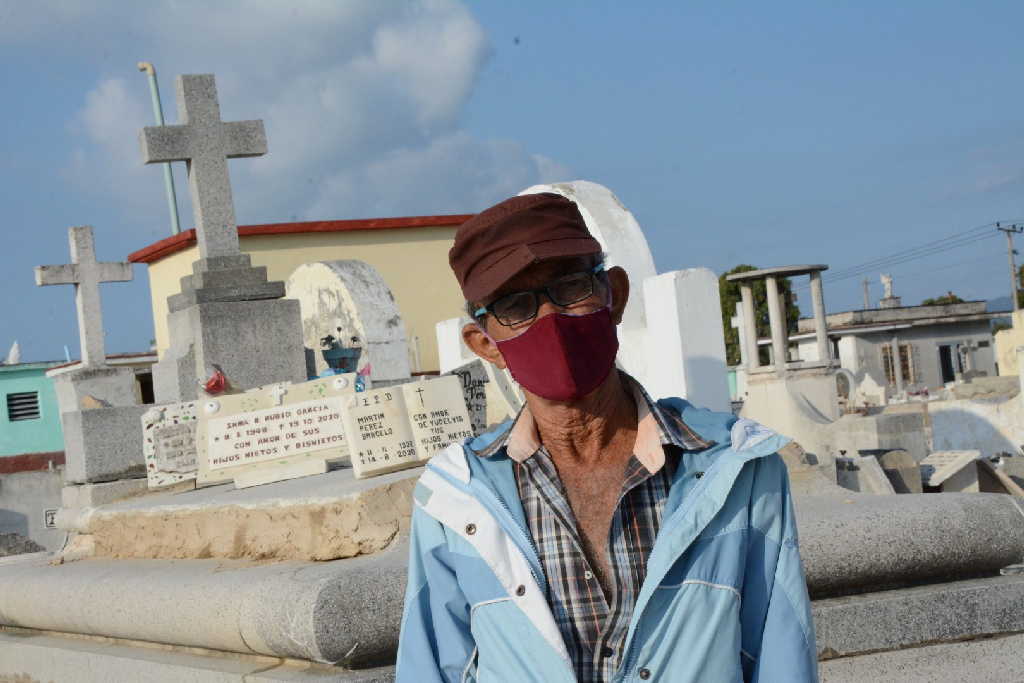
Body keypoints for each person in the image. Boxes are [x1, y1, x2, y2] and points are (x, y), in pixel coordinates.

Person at [396, 193, 818, 682]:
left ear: (613, 293)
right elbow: (433, 668)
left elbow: (779, 653)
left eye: (572, 286)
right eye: (517, 305)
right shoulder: (455, 495)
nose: (551, 319)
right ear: (486, 342)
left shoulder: (737, 467)